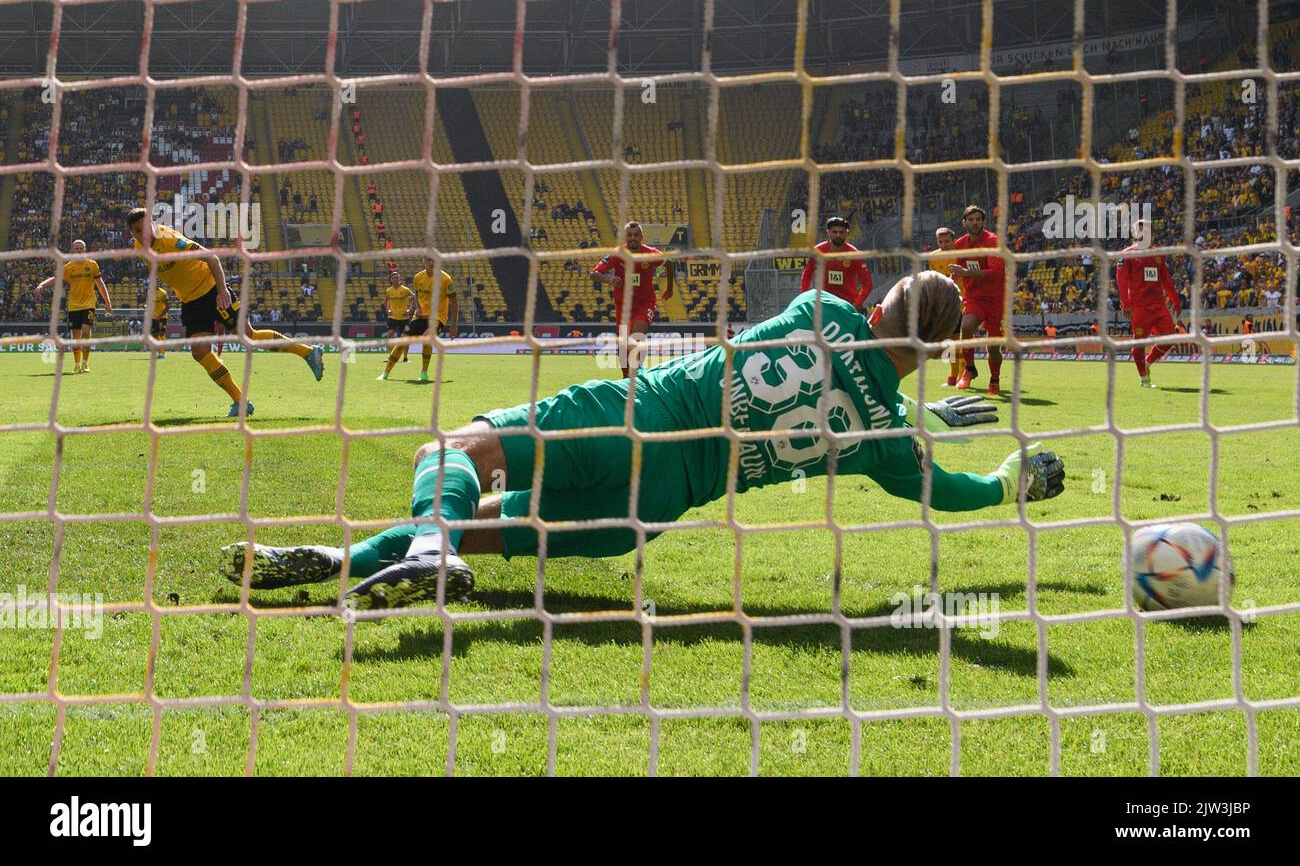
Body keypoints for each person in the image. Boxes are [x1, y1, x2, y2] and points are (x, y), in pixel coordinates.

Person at [219, 272, 1066, 610]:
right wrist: (1005, 479)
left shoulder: (822, 309)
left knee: (453, 454)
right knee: (485, 524)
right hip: (658, 506)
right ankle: (338, 565)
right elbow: (945, 490)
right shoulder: (889, 437)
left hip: (636, 418)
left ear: (879, 308)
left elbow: (854, 333)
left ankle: (427, 550)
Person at [126, 207, 324, 416]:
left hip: (211, 290)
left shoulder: (171, 240)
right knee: (200, 352)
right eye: (137, 231)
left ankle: (309, 352)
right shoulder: (139, 248)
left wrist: (222, 290)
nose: (143, 234)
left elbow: (212, 257)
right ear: (133, 234)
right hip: (191, 302)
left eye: (145, 228)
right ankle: (240, 401)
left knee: (249, 336)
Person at [591, 221, 675, 378]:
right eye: (629, 235)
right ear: (625, 237)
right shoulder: (617, 255)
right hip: (623, 308)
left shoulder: (649, 253)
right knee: (622, 347)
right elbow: (593, 274)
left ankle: (636, 374)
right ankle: (626, 379)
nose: (633, 238)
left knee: (636, 337)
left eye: (636, 235)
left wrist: (670, 288)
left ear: (642, 237)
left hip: (645, 304)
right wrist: (609, 279)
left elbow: (669, 263)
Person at [947, 205, 1006, 397]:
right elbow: (956, 268)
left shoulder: (992, 241)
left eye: (978, 219)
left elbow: (996, 272)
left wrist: (966, 273)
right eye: (971, 220)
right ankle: (970, 368)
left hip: (996, 299)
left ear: (984, 222)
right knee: (966, 326)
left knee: (993, 346)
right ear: (964, 223)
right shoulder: (960, 244)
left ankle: (994, 379)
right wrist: (950, 281)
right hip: (974, 297)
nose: (975, 223)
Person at [1115, 219, 1180, 388]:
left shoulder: (1158, 254)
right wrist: (1125, 304)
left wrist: (1175, 299)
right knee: (1139, 342)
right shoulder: (1127, 254)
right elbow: (1120, 280)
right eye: (1140, 230)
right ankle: (1144, 379)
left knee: (1170, 338)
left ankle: (1148, 361)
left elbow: (1165, 278)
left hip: (1159, 305)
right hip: (1139, 307)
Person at [34, 238, 112, 374]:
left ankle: (85, 363)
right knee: (75, 337)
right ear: (72, 250)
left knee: (86, 331)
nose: (79, 250)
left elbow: (100, 283)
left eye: (81, 248)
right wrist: (42, 284)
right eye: (76, 248)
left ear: (85, 249)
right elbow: (56, 278)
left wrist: (107, 301)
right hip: (74, 305)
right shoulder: (68, 267)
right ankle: (77, 364)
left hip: (89, 304)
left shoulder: (92, 265)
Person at [379, 257, 457, 382]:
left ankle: (423, 373)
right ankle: (385, 374)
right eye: (427, 260)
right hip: (419, 316)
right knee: (402, 342)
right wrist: (417, 307)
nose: (430, 263)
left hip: (438, 317)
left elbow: (454, 302)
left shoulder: (446, 279)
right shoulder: (418, 277)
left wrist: (454, 325)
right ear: (423, 261)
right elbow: (416, 295)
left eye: (432, 260)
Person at [800, 216, 873, 311]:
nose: (838, 235)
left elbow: (867, 284)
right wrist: (806, 300)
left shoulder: (854, 254)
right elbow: (806, 276)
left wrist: (856, 305)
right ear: (828, 232)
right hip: (825, 304)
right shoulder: (818, 251)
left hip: (848, 305)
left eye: (841, 232)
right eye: (834, 232)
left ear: (847, 233)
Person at [925, 226, 964, 385]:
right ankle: (954, 374)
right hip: (946, 303)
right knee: (951, 340)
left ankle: (963, 373)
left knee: (962, 339)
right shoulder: (933, 257)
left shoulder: (962, 254)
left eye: (947, 241)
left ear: (953, 240)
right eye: (940, 241)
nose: (943, 244)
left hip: (964, 301)